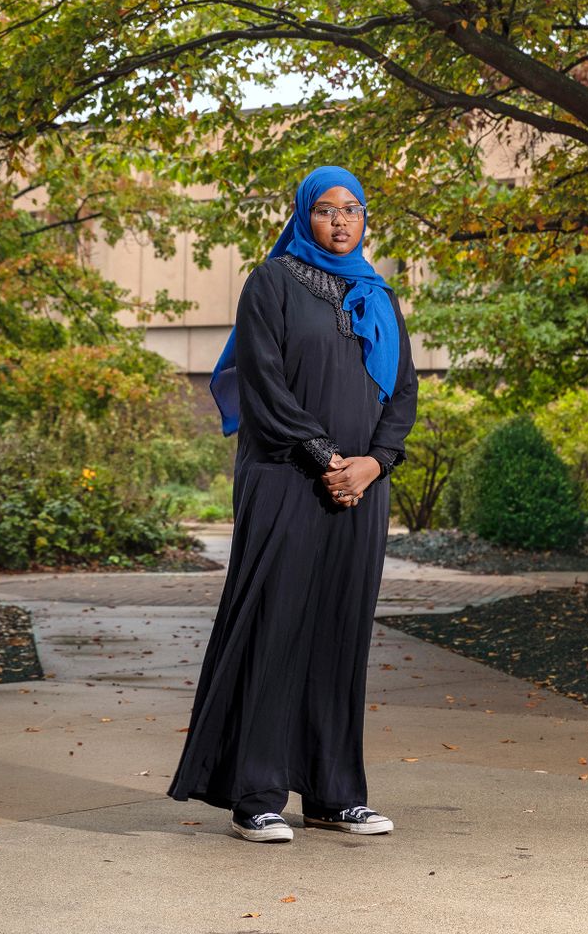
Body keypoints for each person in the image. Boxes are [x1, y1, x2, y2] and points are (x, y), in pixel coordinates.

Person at [167, 165, 418, 842]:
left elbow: (403, 396)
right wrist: (325, 458)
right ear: (304, 215)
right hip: (286, 478)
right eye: (327, 210)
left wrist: (370, 465)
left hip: (360, 491)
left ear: (366, 220)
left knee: (341, 635)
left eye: (354, 210)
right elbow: (263, 383)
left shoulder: (380, 295)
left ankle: (336, 793)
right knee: (274, 628)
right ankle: (256, 795)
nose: (341, 221)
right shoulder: (272, 283)